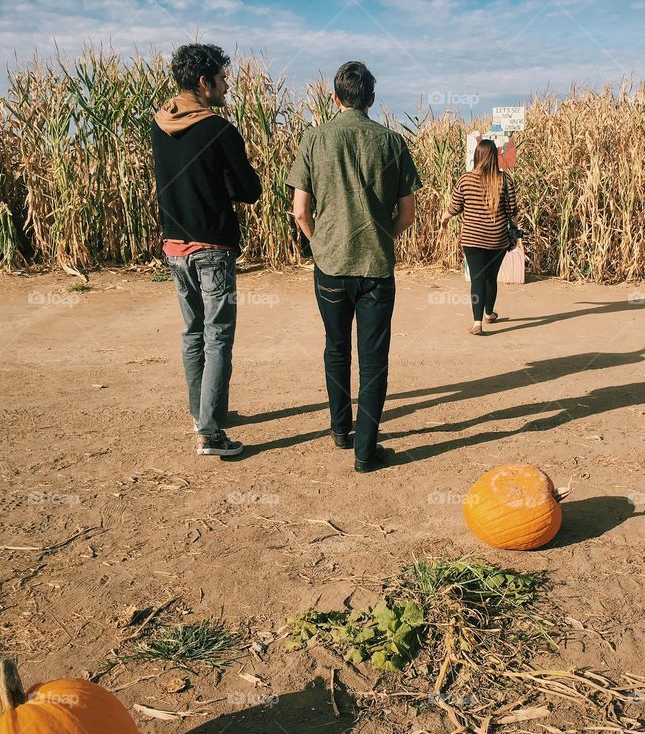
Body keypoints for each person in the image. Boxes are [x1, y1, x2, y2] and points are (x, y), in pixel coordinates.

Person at [287, 61, 421, 473]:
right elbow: (408, 213)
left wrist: (320, 244)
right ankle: (366, 452)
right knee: (374, 358)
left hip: (330, 266)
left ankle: (340, 430)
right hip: (375, 267)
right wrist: (383, 237)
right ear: (372, 99)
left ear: (335, 97)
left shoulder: (314, 139)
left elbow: (300, 212)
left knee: (336, 348)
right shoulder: (393, 142)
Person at [151, 43, 261, 457]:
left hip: (174, 247)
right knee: (218, 336)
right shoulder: (219, 130)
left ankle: (202, 413)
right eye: (222, 79)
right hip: (212, 247)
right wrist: (226, 185)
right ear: (204, 82)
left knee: (192, 332)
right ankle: (212, 434)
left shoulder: (158, 125)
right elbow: (251, 189)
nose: (226, 86)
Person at [439, 139, 520, 335]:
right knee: (491, 277)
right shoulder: (505, 179)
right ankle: (489, 313)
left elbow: (455, 207)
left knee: (477, 278)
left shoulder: (465, 179)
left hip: (472, 239)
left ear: (477, 155)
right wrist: (516, 233)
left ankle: (477, 323)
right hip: (497, 238)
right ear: (495, 156)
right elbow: (512, 211)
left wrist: (444, 219)